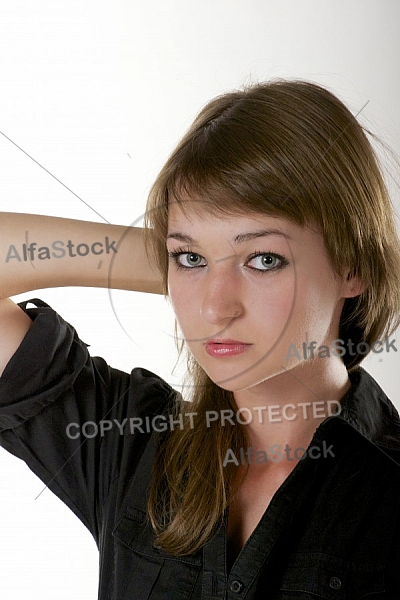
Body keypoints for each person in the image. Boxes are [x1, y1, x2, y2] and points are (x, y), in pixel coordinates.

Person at [1, 78, 400, 599]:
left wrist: (203, 248)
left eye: (264, 260)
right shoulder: (129, 447)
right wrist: (183, 247)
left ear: (354, 267)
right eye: (189, 260)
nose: (215, 307)